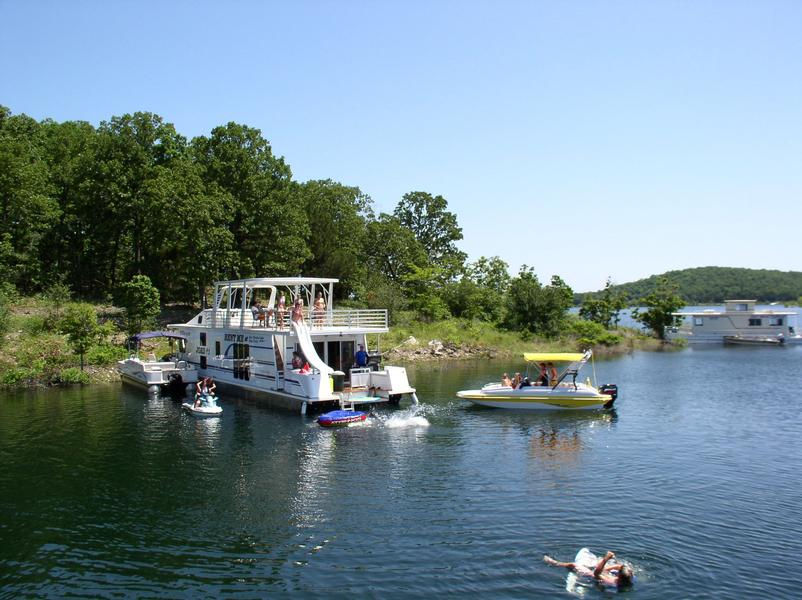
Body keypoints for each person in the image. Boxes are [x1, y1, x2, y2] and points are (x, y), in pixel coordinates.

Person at [544, 550, 633, 588]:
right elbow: (621, 566)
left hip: (592, 576)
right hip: (604, 573)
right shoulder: (629, 577)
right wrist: (607, 568)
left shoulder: (612, 582)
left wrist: (606, 559)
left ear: (619, 576)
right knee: (601, 564)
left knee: (573, 565)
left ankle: (555, 563)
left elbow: (596, 574)